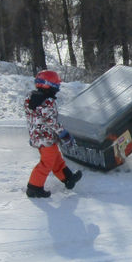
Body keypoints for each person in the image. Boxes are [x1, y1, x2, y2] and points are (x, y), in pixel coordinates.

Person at [24, 70, 82, 198]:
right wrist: (64, 135)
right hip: (46, 139)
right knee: (46, 163)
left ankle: (68, 178)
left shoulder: (30, 98)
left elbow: (34, 119)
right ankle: (34, 187)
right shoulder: (47, 102)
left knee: (56, 159)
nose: (57, 89)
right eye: (56, 85)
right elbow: (52, 121)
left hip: (39, 138)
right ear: (49, 85)